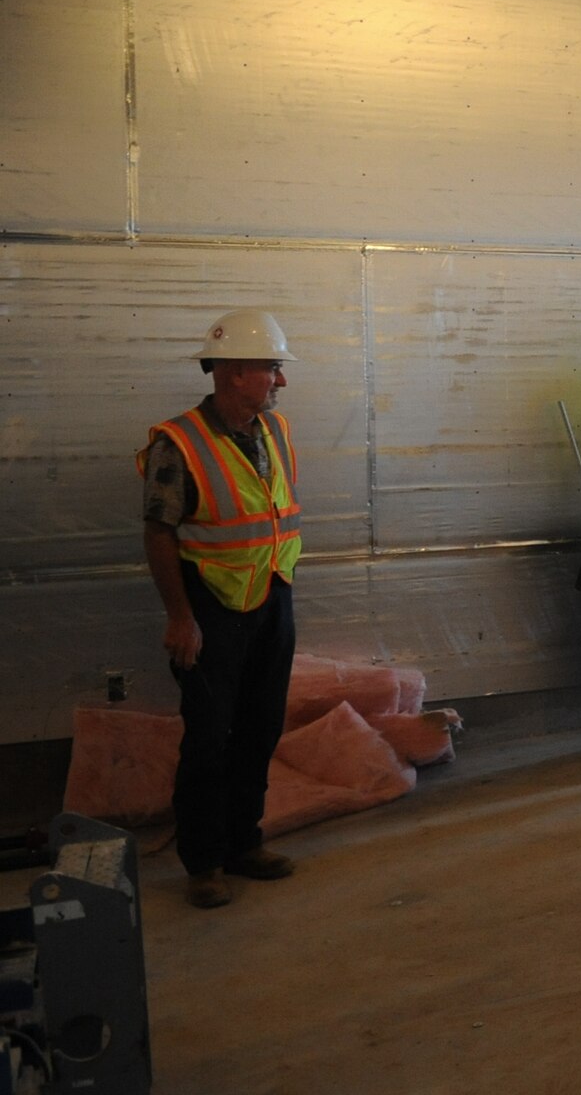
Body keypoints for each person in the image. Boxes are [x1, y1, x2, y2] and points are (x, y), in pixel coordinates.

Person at [139, 309, 304, 908]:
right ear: (234, 372)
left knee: (260, 728)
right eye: (271, 368)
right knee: (209, 737)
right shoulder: (178, 443)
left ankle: (243, 843)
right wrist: (180, 619)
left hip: (272, 596)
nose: (280, 380)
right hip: (210, 608)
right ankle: (204, 862)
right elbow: (159, 534)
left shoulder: (273, 430)